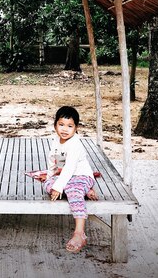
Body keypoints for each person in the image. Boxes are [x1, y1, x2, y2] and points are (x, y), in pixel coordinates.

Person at [44, 106, 98, 253]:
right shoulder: (56, 140)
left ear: (76, 128)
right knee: (48, 184)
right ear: (55, 125)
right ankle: (83, 190)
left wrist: (58, 186)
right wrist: (50, 178)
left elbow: (69, 167)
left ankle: (79, 233)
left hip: (81, 175)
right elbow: (53, 160)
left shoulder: (75, 144)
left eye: (70, 126)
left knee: (73, 192)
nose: (65, 129)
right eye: (61, 125)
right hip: (66, 177)